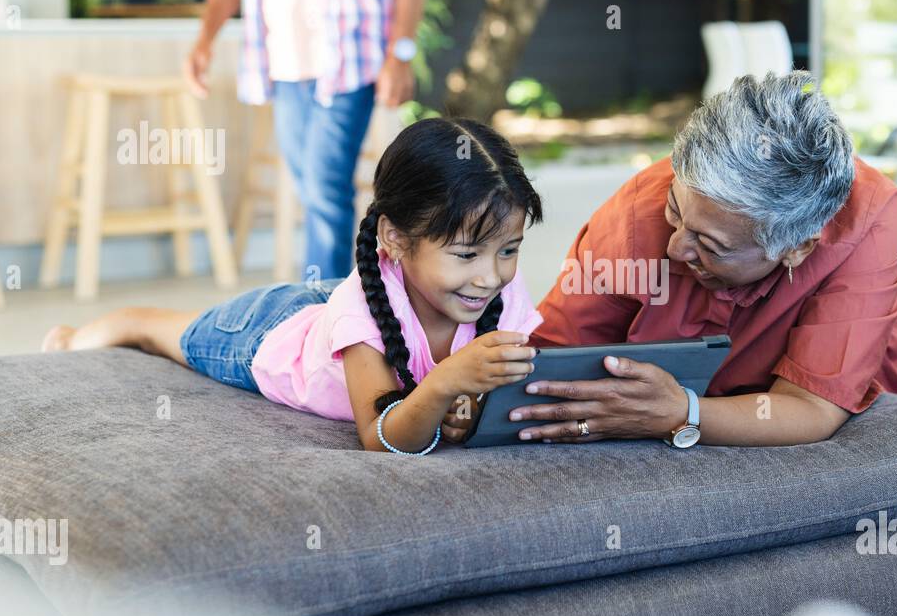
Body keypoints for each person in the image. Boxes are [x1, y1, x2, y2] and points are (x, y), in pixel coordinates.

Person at [41, 119, 545, 455]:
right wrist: (445, 384)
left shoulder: (498, 289)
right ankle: (76, 336)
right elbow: (381, 439)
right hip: (270, 333)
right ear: (394, 236)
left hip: (349, 301)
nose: (490, 276)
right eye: (465, 254)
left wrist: (468, 408)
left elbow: (499, 395)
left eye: (508, 249)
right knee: (163, 333)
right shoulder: (360, 313)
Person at [506, 71, 897, 447]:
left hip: (855, 399)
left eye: (711, 245)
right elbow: (549, 363)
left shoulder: (868, 219)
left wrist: (682, 413)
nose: (675, 248)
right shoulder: (638, 211)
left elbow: (811, 405)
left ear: (797, 247)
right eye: (676, 211)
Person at [184, 0, 431, 279]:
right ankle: (337, 299)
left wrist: (401, 54)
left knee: (325, 189)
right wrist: (204, 40)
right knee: (311, 190)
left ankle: (320, 303)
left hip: (350, 61)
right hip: (285, 62)